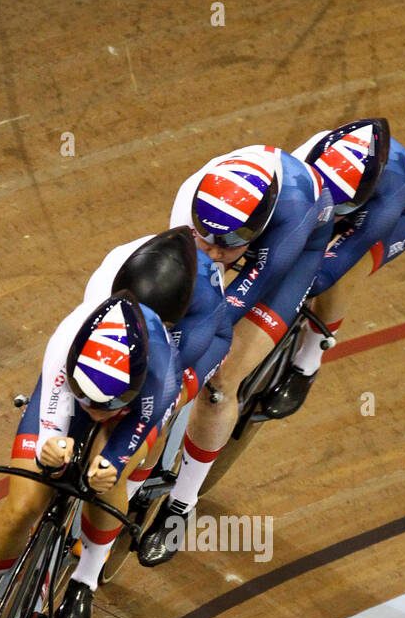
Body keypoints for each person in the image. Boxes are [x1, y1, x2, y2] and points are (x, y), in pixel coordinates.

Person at [0, 229, 204, 618]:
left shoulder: (161, 372)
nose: (98, 412)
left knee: (105, 480)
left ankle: (85, 579)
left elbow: (137, 425)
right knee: (23, 504)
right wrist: (50, 445)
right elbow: (52, 413)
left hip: (131, 415)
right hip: (63, 399)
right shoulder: (67, 340)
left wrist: (112, 461)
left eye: (107, 405)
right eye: (94, 403)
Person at [136, 144, 334, 566]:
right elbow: (189, 280)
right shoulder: (193, 202)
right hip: (244, 230)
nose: (212, 252)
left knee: (220, 384)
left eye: (227, 246)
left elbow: (232, 307)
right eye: (204, 238)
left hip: (292, 255)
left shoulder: (290, 218)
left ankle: (181, 505)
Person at [261, 118, 405, 417]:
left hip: (392, 219)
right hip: (322, 199)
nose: (335, 216)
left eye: (342, 210)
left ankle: (308, 361)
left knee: (339, 276)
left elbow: (326, 274)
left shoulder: (388, 198)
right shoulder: (304, 160)